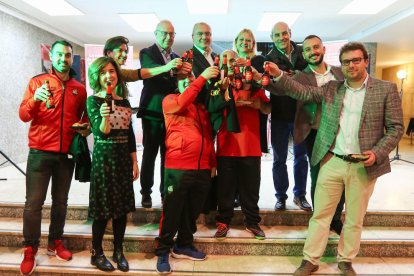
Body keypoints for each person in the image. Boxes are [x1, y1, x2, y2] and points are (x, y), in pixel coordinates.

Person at [264, 42, 404, 276]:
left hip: (363, 164)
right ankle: (310, 259)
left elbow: (395, 128)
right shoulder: (332, 88)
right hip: (332, 161)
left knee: (354, 218)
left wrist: (377, 153)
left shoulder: (385, 89)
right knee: (320, 215)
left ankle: (346, 260)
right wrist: (278, 75)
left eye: (356, 60)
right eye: (346, 62)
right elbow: (303, 92)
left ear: (366, 61)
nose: (351, 65)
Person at [18, 40, 88, 275]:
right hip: (39, 151)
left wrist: (85, 128)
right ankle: (30, 248)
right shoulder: (37, 82)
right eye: (59, 55)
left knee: (61, 201)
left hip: (66, 154)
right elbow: (23, 115)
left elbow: (85, 121)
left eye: (67, 55)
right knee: (33, 204)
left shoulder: (80, 88)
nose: (63, 59)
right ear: (52, 57)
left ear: (71, 59)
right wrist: (35, 98)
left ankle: (55, 242)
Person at [155, 67, 219, 274]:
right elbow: (183, 101)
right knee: (172, 210)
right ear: (177, 83)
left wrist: (212, 162)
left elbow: (208, 137)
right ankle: (163, 249)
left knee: (192, 211)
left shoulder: (201, 107)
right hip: (178, 166)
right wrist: (200, 79)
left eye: (190, 78)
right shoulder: (170, 100)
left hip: (201, 168)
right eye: (183, 79)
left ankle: (183, 244)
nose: (188, 82)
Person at [86, 56, 139, 272]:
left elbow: (130, 134)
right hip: (103, 159)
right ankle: (96, 252)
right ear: (97, 77)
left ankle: (119, 251)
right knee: (103, 209)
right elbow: (102, 132)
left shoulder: (124, 101)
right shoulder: (93, 101)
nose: (109, 75)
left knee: (121, 210)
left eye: (112, 71)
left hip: (123, 160)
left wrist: (135, 161)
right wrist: (104, 116)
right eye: (103, 72)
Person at [214, 47, 271, 241]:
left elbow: (267, 107)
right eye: (226, 61)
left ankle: (252, 221)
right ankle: (223, 221)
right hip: (226, 144)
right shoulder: (217, 87)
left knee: (251, 188)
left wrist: (259, 105)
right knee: (225, 188)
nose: (229, 65)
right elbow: (211, 112)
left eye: (232, 61)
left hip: (251, 145)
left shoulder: (252, 85)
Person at [294, 35, 345, 235]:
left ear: (323, 49)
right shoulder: (299, 76)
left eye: (316, 47)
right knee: (319, 178)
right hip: (314, 133)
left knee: (339, 177)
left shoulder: (340, 73)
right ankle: (320, 218)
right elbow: (281, 87)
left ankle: (335, 218)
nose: (313, 52)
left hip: (341, 134)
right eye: (307, 49)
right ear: (304, 54)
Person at [138, 20, 191, 208]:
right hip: (152, 112)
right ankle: (146, 192)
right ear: (156, 33)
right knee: (150, 154)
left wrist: (183, 75)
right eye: (165, 33)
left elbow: (178, 83)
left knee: (168, 155)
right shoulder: (147, 53)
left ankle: (164, 192)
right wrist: (169, 68)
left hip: (172, 114)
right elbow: (147, 73)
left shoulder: (177, 56)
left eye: (172, 34)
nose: (168, 37)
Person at [266, 22, 311, 211]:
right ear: (272, 38)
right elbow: (270, 84)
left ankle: (299, 195)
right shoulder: (269, 59)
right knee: (279, 159)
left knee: (301, 157)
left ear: (290, 33)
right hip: (279, 115)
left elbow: (310, 77)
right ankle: (281, 196)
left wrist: (291, 76)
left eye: (284, 33)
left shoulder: (304, 53)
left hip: (301, 114)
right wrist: (289, 78)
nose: (281, 38)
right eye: (277, 35)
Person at [104, 35, 184, 82]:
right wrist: (165, 68)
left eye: (125, 51)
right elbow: (137, 74)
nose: (125, 54)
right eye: (120, 50)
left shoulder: (120, 72)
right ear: (108, 53)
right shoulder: (100, 69)